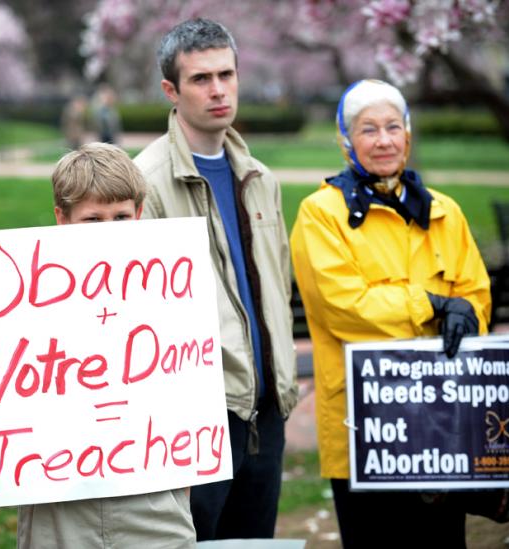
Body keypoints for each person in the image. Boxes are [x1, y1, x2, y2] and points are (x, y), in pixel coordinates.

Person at [0, 143, 196, 549]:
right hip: (59, 504)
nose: (109, 229)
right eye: (92, 219)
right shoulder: (26, 298)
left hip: (154, 499)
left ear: (139, 214)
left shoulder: (170, 287)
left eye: (120, 217)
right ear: (61, 218)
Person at [289, 79, 491, 547]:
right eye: (368, 129)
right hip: (366, 426)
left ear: (408, 134)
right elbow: (345, 308)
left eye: (393, 127)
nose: (383, 140)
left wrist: (467, 311)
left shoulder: (445, 211)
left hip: (443, 419)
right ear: (346, 141)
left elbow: (476, 294)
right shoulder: (320, 214)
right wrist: (433, 306)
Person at [133, 18, 298, 541]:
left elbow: (278, 286)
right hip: (196, 414)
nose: (219, 89)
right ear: (171, 91)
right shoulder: (144, 183)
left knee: (253, 542)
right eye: (201, 78)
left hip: (266, 411)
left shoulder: (261, 177)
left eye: (227, 74)